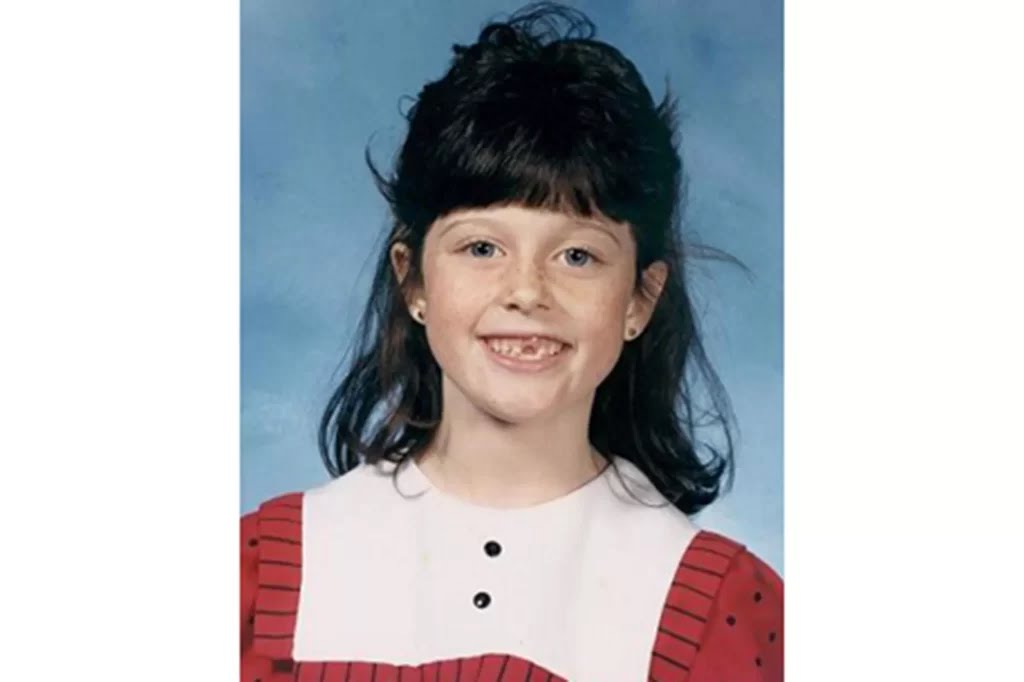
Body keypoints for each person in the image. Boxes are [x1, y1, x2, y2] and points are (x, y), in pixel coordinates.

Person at [241, 3, 782, 680]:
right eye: (482, 247)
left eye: (578, 256)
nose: (527, 291)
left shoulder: (721, 608)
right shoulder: (258, 577)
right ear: (414, 281)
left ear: (640, 299)